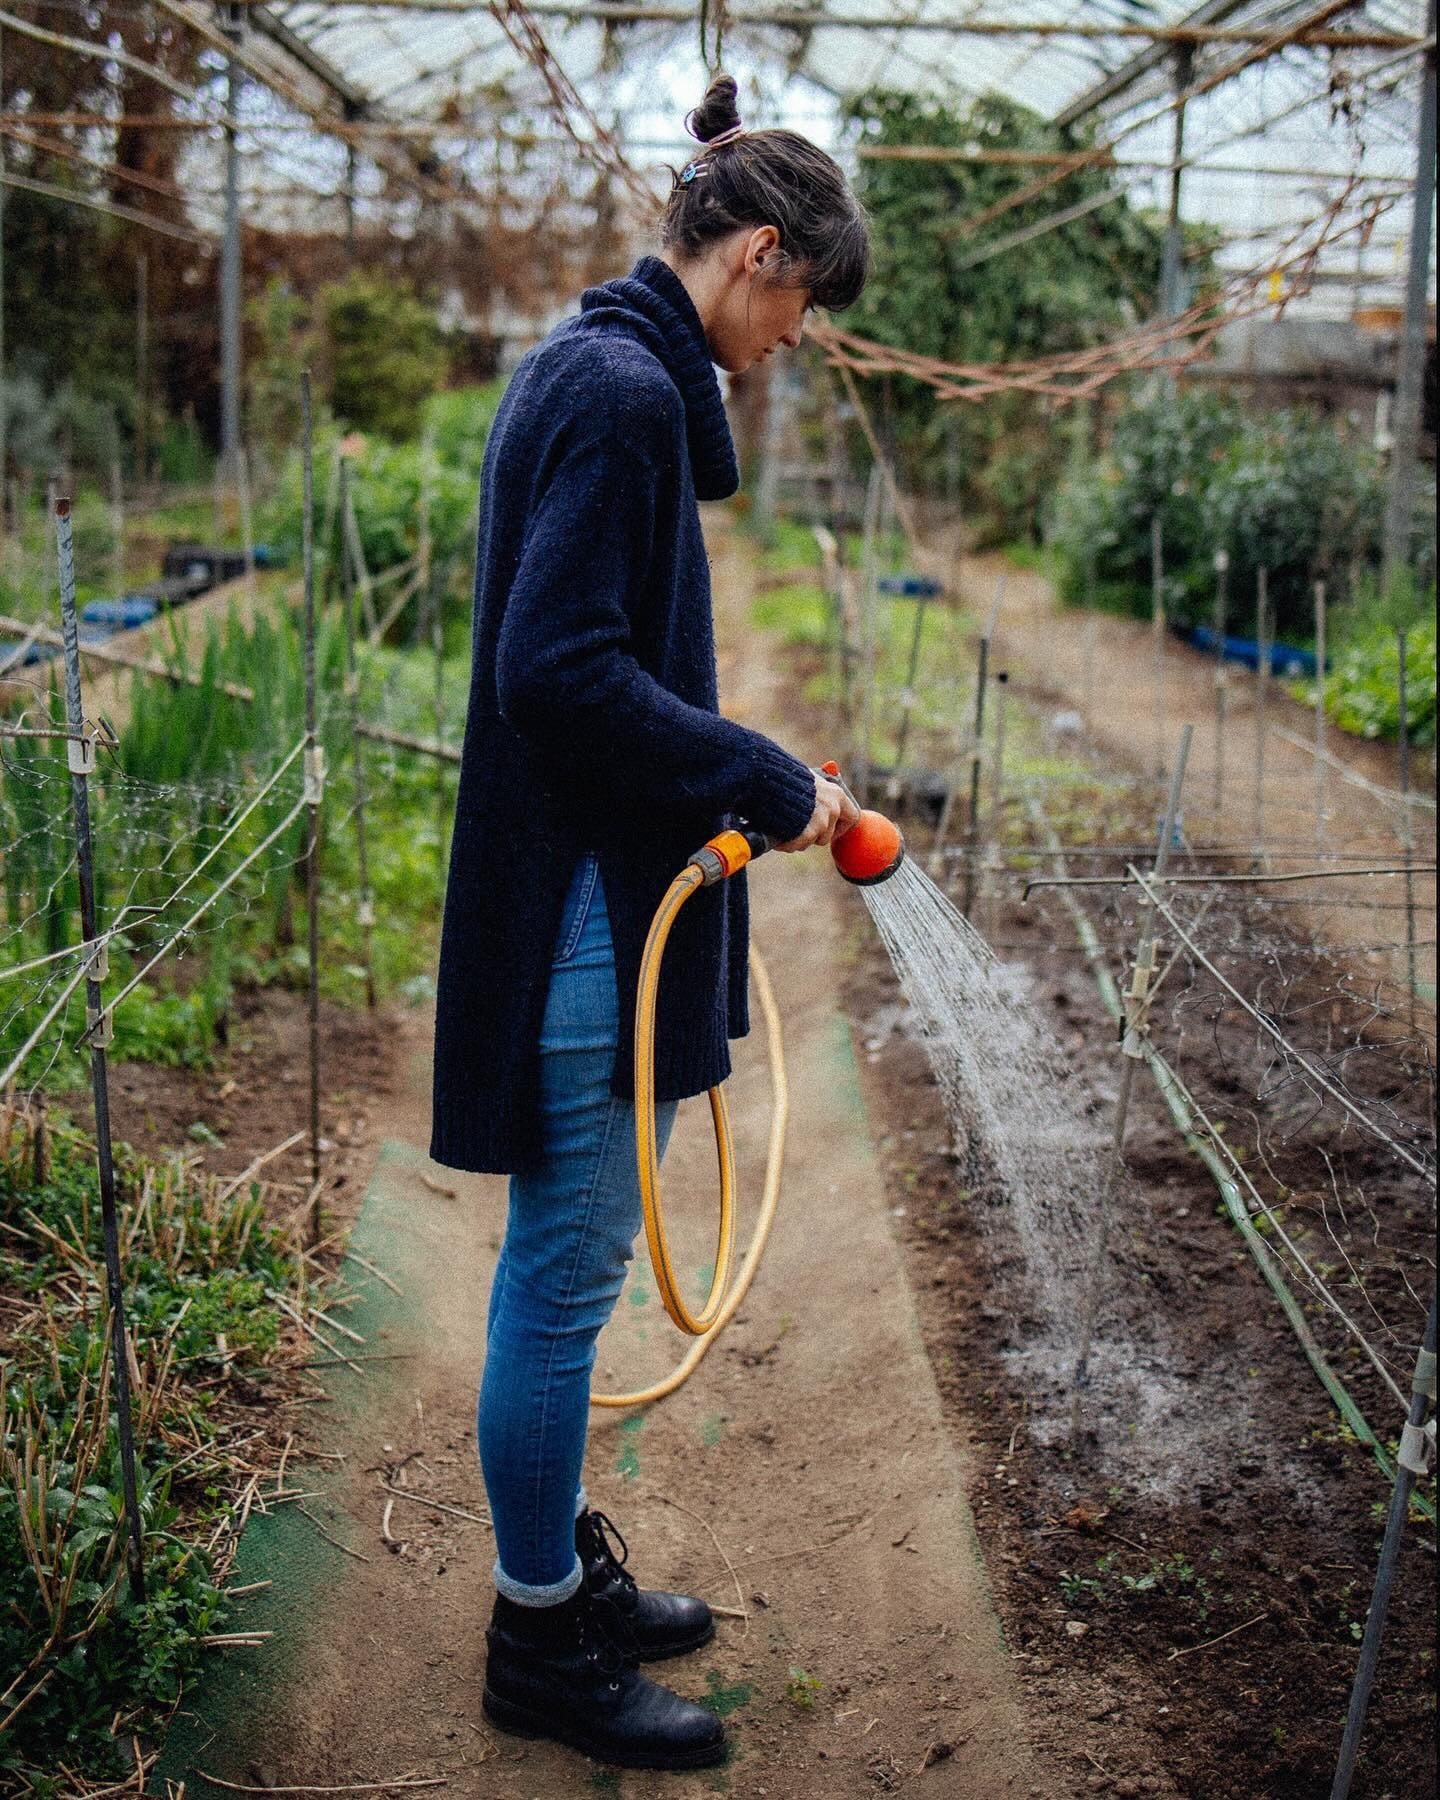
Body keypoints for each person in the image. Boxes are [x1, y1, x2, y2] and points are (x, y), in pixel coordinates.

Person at [430, 72, 870, 1772]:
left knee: (568, 1265)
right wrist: (755, 769)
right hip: (578, 919)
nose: (796, 340)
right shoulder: (622, 393)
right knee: (563, 1278)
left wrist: (731, 770)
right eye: (804, 305)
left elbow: (572, 657)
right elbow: (560, 674)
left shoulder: (588, 362)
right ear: (760, 253)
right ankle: (538, 1641)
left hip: (578, 893)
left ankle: (557, 1577)